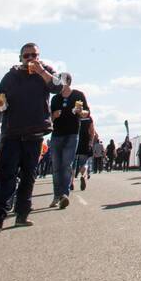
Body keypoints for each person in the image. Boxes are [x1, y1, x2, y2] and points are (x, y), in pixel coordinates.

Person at [0, 42, 63, 233]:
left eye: (34, 55)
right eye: (26, 56)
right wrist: (0, 105)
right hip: (12, 132)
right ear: (20, 58)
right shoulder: (11, 76)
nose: (30, 59)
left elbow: (58, 87)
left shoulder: (46, 73)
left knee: (28, 174)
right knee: (5, 175)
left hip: (35, 132)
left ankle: (22, 215)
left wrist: (41, 71)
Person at [49, 75, 90, 209]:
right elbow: (49, 118)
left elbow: (86, 113)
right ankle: (56, 195)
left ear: (68, 82)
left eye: (61, 80)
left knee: (67, 164)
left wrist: (81, 112)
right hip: (56, 135)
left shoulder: (78, 95)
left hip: (72, 134)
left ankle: (64, 195)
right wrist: (53, 116)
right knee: (56, 167)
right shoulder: (55, 98)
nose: (58, 82)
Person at [73, 112, 95, 193]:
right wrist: (91, 142)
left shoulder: (76, 115)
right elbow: (92, 131)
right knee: (84, 162)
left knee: (73, 163)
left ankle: (71, 182)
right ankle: (83, 175)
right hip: (85, 141)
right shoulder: (89, 118)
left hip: (75, 139)